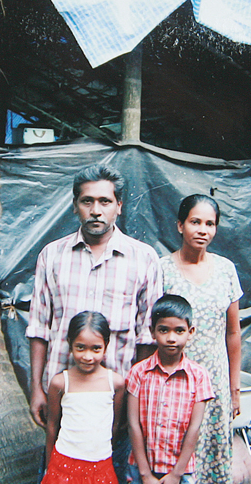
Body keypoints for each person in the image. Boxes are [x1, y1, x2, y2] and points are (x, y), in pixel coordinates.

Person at [27, 164, 162, 426]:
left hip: (118, 397)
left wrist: (137, 394)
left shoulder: (144, 258)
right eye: (87, 201)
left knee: (115, 453)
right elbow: (39, 328)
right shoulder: (52, 255)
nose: (96, 210)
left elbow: (147, 334)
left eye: (105, 201)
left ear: (119, 206)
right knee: (60, 452)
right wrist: (36, 389)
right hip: (62, 394)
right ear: (74, 205)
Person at [160, 194, 243, 484]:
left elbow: (233, 334)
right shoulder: (162, 270)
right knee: (173, 464)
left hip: (214, 389)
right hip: (172, 387)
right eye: (195, 222)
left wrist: (234, 388)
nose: (202, 230)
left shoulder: (226, 269)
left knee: (210, 464)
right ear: (180, 225)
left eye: (210, 224)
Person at [125, 294, 214, 484]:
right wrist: (145, 474)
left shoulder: (198, 376)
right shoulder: (139, 373)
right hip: (142, 472)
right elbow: (133, 424)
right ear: (152, 332)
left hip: (180, 474)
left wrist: (175, 475)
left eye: (179, 331)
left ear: (191, 332)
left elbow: (195, 428)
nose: (171, 338)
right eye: (163, 330)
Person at [40, 311, 126, 484]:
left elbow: (114, 426)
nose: (88, 356)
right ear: (70, 345)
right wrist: (50, 468)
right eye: (80, 348)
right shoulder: (60, 383)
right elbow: (52, 429)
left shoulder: (115, 383)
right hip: (64, 468)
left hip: (99, 469)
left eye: (95, 348)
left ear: (106, 347)